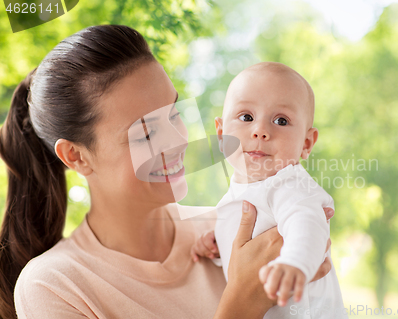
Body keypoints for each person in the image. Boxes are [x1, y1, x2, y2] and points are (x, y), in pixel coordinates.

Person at [0, 25, 335, 319]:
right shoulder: (55, 286)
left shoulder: (236, 230)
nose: (177, 141)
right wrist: (242, 305)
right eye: (146, 133)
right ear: (76, 156)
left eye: (174, 113)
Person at [192, 62, 347, 319]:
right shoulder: (236, 195)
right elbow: (246, 253)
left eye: (281, 120)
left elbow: (307, 226)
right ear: (221, 135)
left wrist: (295, 262)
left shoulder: (290, 184)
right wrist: (218, 243)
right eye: (246, 117)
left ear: (306, 144)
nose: (260, 131)